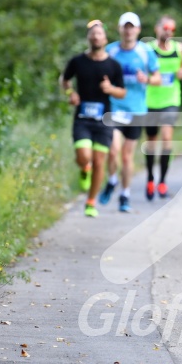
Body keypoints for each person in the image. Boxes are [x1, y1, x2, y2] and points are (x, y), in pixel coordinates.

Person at [60, 20, 126, 217]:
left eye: (99, 34)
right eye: (93, 34)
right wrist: (70, 93)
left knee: (99, 162)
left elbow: (122, 92)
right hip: (82, 118)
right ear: (88, 38)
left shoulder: (113, 65)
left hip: (104, 120)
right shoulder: (77, 61)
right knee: (84, 156)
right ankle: (83, 167)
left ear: (105, 39)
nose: (96, 37)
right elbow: (64, 79)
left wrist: (110, 89)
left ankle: (90, 202)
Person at [98, 12, 161, 212]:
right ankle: (112, 180)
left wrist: (148, 80)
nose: (128, 30)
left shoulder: (145, 52)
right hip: (114, 108)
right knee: (113, 151)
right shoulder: (111, 50)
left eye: (132, 26)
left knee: (127, 156)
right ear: (120, 29)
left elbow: (158, 78)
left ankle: (125, 195)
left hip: (136, 110)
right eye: (125, 26)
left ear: (138, 30)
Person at [144, 15, 182, 200]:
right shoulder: (148, 49)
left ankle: (162, 181)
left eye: (171, 28)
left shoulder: (179, 48)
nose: (168, 31)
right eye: (165, 28)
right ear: (157, 29)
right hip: (151, 101)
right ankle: (150, 178)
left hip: (171, 100)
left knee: (167, 137)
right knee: (151, 141)